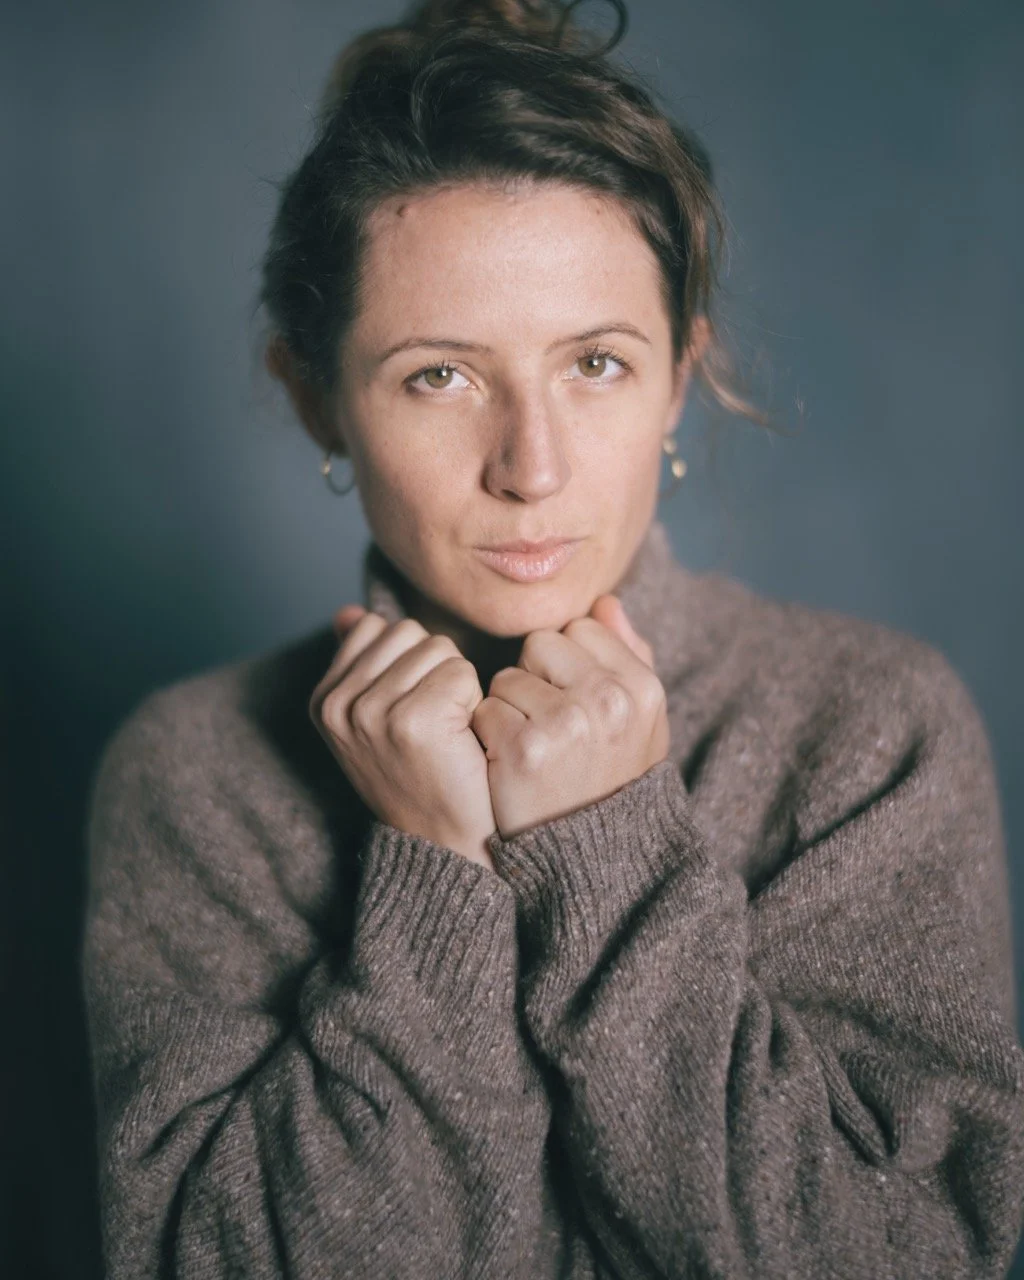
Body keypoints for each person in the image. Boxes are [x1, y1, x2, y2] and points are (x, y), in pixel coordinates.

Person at [81, 0, 1024, 1276]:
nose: (531, 467)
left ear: (679, 378)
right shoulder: (197, 769)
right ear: (316, 401)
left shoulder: (864, 722)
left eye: (595, 364)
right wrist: (428, 869)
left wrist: (610, 847)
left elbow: (908, 1252)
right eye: (440, 375)